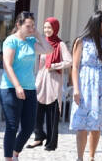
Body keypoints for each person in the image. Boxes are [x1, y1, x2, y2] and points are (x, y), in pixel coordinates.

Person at [0, 11, 54, 161]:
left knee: (29, 127)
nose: (31, 29)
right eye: (28, 26)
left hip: (30, 89)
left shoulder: (31, 41)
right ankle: (8, 158)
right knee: (12, 126)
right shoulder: (11, 41)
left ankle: (15, 152)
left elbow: (49, 50)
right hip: (11, 88)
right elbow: (7, 66)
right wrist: (17, 86)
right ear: (19, 25)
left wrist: (38, 34)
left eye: (33, 26)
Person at [70, 11, 102, 161]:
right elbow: (75, 67)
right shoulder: (81, 41)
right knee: (82, 122)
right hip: (85, 85)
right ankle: (80, 157)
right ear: (97, 25)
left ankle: (91, 157)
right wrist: (76, 89)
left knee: (97, 123)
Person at [26, 17, 72, 151]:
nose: (47, 30)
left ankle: (51, 143)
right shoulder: (42, 43)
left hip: (53, 80)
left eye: (49, 28)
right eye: (45, 27)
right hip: (41, 79)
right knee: (37, 110)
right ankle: (38, 137)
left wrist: (54, 65)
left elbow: (69, 61)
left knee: (52, 112)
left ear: (55, 29)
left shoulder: (60, 44)